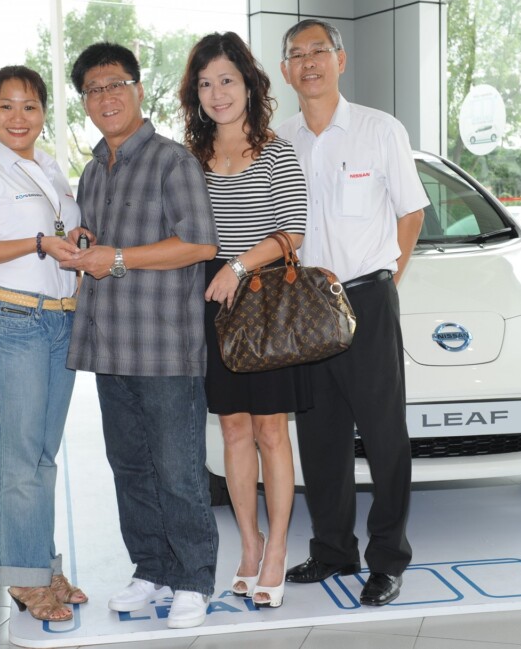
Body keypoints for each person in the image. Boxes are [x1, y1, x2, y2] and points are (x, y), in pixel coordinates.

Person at [60, 42, 220, 630]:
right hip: (109, 345)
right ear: (85, 102)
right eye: (93, 90)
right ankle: (151, 568)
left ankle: (193, 579)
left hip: (164, 346)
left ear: (138, 90)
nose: (105, 97)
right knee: (129, 467)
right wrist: (84, 242)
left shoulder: (172, 161)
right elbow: (98, 248)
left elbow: (201, 244)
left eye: (115, 84)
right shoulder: (92, 169)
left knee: (178, 470)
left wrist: (118, 257)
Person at [276, 19, 427, 606]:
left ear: (341, 59)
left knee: (385, 434)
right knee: (320, 437)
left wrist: (388, 278)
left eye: (319, 50)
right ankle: (333, 549)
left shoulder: (379, 130)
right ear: (285, 70)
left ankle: (388, 558)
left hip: (365, 298)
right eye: (296, 54)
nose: (308, 61)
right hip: (302, 307)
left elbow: (410, 214)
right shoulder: (278, 140)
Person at [0, 65, 86, 622]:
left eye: (29, 106)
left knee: (44, 458)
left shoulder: (49, 170)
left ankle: (43, 567)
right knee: (22, 460)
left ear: (44, 113)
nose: (18, 117)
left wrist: (72, 238)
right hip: (13, 321)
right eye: (6, 106)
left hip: (59, 321)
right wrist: (38, 242)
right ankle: (25, 581)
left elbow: (57, 235)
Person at [178, 31, 310, 609]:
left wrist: (236, 263)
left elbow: (293, 234)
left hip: (265, 312)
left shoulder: (278, 151)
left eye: (227, 80)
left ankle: (279, 547)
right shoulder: (190, 160)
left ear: (249, 84)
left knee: (270, 432)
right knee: (233, 431)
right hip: (213, 313)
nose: (217, 93)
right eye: (205, 84)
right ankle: (250, 545)